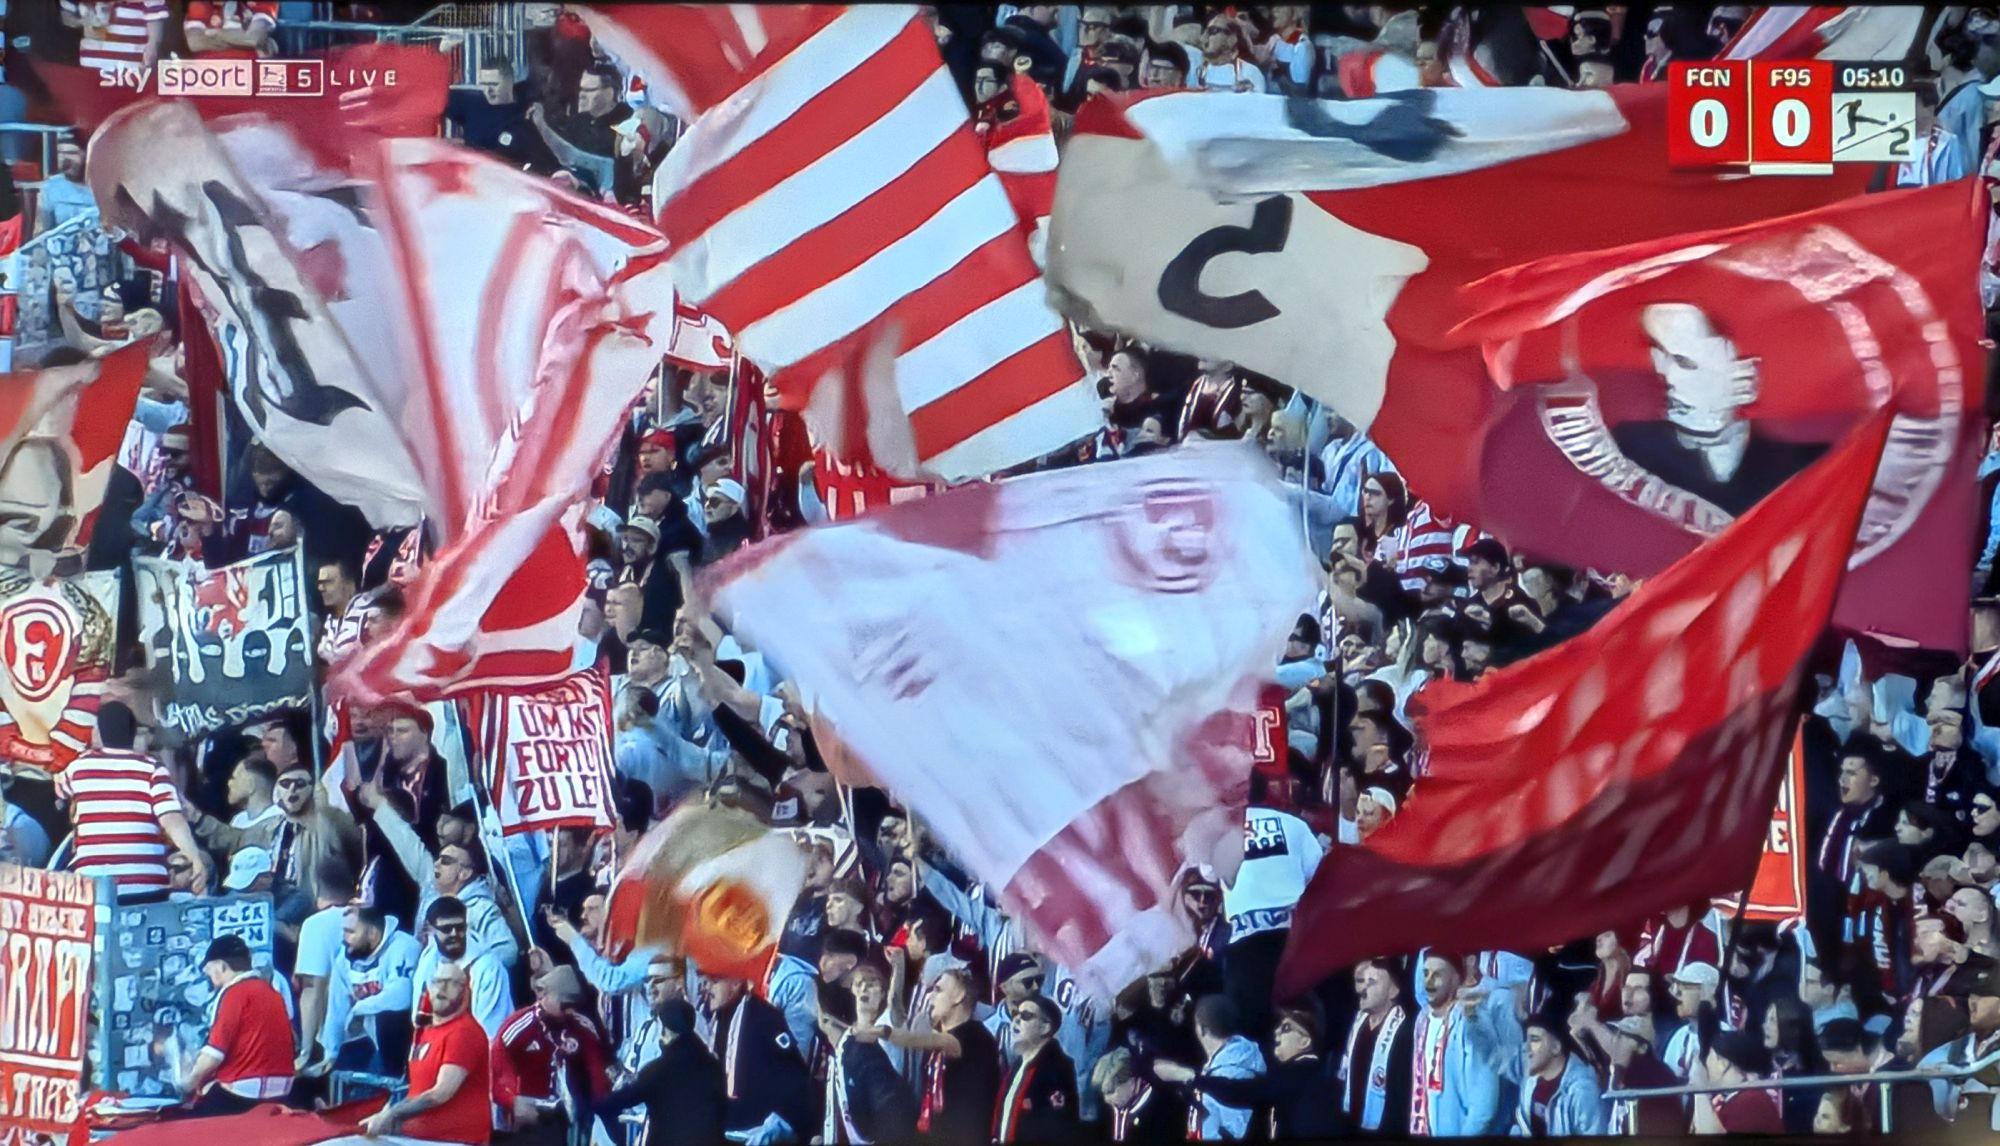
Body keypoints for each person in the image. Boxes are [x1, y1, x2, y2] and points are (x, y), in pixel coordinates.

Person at [58, 701, 208, 901]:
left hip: (92, 887)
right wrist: (195, 858)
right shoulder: (154, 769)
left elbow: (60, 798)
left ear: (100, 732)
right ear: (133, 733)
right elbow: (172, 820)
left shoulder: (77, 768)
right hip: (147, 885)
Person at [359, 962, 492, 1144]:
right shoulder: (425, 1030)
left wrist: (392, 1114)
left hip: (453, 1139)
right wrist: (384, 1114)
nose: (442, 989)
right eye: (437, 982)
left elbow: (441, 1093)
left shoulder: (464, 1032)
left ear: (465, 991)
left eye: (451, 983)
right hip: (417, 1136)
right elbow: (416, 1089)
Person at [492, 965, 612, 1144]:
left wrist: (601, 1114)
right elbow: (494, 1073)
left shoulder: (582, 1027)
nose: (570, 1011)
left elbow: (598, 1076)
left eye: (574, 1005)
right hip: (530, 1113)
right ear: (544, 996)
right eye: (565, 1005)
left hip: (571, 1115)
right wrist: (511, 1101)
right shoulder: (518, 1028)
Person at [884, 966, 999, 1146]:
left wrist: (881, 1032)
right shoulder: (936, 1045)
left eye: (938, 990)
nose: (929, 997)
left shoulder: (975, 1037)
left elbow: (915, 1039)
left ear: (959, 995)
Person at [590, 998, 728, 1146]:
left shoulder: (657, 1072)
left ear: (666, 1031)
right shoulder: (713, 1066)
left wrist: (591, 1106)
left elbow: (617, 1102)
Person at [181, 935, 293, 1115]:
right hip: (282, 1090)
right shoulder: (272, 992)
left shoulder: (234, 993)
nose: (209, 977)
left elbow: (214, 1055)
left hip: (244, 1092)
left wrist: (187, 1082)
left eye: (209, 971)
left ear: (221, 966)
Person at [705, 974, 813, 1145]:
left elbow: (794, 1077)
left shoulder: (765, 1018)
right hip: (716, 1129)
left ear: (736, 982)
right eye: (705, 980)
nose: (706, 987)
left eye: (715, 981)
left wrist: (777, 1126)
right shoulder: (710, 1018)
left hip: (754, 1133)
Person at [318, 904, 420, 1077]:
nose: (344, 938)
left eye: (350, 932)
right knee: (339, 1070)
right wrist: (331, 1054)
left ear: (372, 933)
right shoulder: (345, 957)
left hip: (406, 1039)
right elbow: (337, 1006)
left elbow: (401, 997)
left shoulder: (404, 946)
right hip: (368, 1039)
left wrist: (358, 1009)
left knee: (388, 1017)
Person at [826, 960, 920, 1145]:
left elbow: (895, 1001)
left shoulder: (890, 1021)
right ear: (852, 990)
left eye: (872, 983)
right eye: (859, 983)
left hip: (892, 1122)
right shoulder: (847, 1038)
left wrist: (899, 964)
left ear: (883, 992)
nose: (865, 988)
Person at [411, 896, 515, 1039]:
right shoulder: (428, 961)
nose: (454, 934)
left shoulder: (487, 966)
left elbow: (490, 1034)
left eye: (460, 928)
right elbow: (419, 1019)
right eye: (446, 929)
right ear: (430, 929)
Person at [1340, 958, 1414, 1136]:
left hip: (1385, 1129)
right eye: (1362, 982)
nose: (1362, 990)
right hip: (1351, 1124)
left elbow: (1402, 1093)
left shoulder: (1405, 1031)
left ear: (1392, 990)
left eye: (1371, 982)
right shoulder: (1358, 1021)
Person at [996, 994, 1080, 1143]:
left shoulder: (1057, 1068)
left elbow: (1056, 1131)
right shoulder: (1017, 1065)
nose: (1016, 1020)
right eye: (1016, 1014)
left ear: (1045, 1027)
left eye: (1026, 1016)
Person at [1513, 1012, 1605, 1136]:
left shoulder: (1583, 1090)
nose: (1526, 1048)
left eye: (1535, 1039)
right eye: (1526, 1040)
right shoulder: (1530, 1083)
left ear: (1556, 1047)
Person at [1691, 1029, 1783, 1133]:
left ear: (1723, 1064)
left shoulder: (1750, 1103)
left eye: (1709, 1058)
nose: (1705, 1065)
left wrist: (1699, 1088)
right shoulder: (1739, 1098)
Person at [1095, 1046, 1184, 1142]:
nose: (1106, 1100)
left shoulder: (1163, 1108)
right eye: (1104, 1093)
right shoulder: (1104, 1111)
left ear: (1131, 1082)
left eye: (1111, 1091)